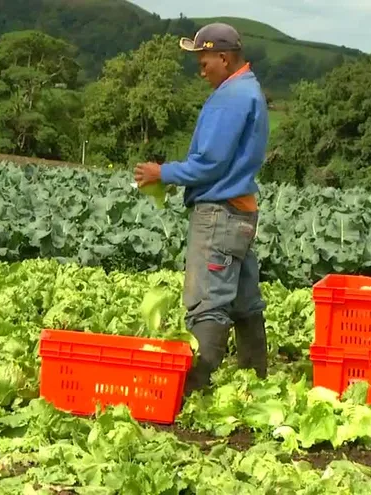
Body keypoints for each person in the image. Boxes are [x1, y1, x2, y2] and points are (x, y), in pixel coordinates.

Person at [133, 22, 269, 397]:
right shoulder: (249, 89)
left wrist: (163, 172)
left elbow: (210, 163)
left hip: (219, 212)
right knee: (243, 300)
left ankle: (196, 391)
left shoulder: (232, 97)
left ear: (224, 58)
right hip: (240, 212)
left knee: (206, 301)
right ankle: (255, 380)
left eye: (204, 59)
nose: (201, 68)